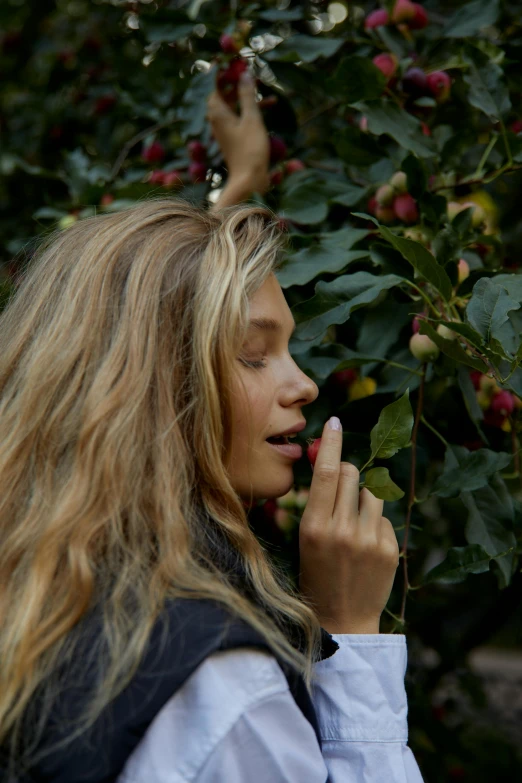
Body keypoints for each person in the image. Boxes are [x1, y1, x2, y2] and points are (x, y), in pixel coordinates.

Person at [0, 68, 425, 783]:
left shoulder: (40, 591)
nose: (305, 383)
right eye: (256, 356)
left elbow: (150, 308)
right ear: (156, 390)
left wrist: (243, 180)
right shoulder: (226, 694)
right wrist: (352, 634)